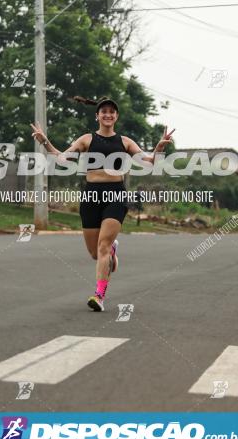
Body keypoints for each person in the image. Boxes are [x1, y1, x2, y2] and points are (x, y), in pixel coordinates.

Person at [30, 97, 174, 312]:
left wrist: (159, 148)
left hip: (115, 195)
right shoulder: (86, 139)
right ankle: (112, 253)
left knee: (103, 246)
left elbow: (150, 162)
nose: (108, 114)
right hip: (91, 196)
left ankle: (99, 296)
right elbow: (62, 159)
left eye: (112, 112)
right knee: (95, 254)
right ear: (97, 116)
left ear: (116, 117)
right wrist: (44, 141)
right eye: (104, 111)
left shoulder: (125, 142)